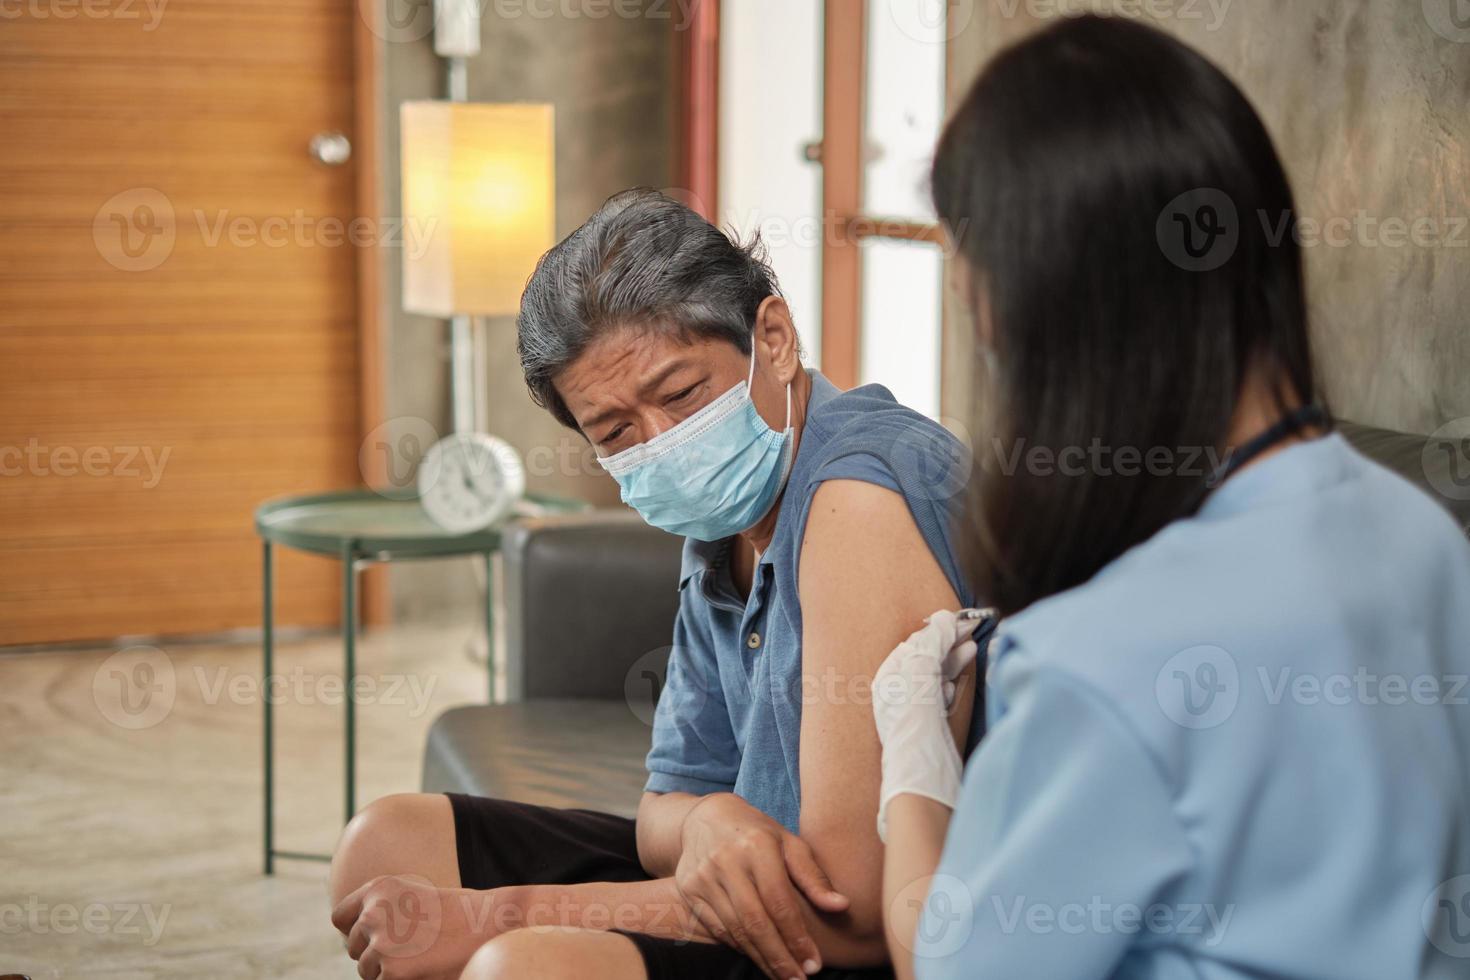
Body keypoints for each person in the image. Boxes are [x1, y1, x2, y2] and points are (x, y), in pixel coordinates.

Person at [872, 16, 1470, 980]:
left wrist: (912, 769)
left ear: (1050, 315)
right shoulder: (1423, 539)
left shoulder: (1106, 655)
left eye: (975, 298)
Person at [328, 189, 982, 980]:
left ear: (772, 339)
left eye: (681, 395)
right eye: (617, 431)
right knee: (388, 843)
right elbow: (662, 809)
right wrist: (711, 817)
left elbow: (853, 911)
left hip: (850, 941)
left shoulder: (855, 500)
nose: (664, 445)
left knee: (518, 964)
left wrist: (507, 913)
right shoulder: (723, 512)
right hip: (759, 885)